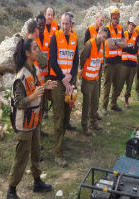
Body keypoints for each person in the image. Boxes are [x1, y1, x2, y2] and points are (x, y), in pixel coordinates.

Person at [6, 38, 57, 199]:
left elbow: (33, 90)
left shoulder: (32, 69)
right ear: (27, 53)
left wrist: (44, 87)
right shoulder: (20, 76)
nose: (38, 51)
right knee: (22, 156)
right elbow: (19, 102)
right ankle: (11, 190)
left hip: (34, 120)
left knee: (35, 152)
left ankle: (37, 181)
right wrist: (35, 94)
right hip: (24, 123)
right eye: (35, 48)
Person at [49, 13, 79, 167]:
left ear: (71, 24)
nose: (65, 26)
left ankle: (61, 142)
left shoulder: (74, 38)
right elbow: (52, 61)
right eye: (62, 23)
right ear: (60, 24)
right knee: (59, 116)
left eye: (67, 24)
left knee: (68, 112)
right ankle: (58, 154)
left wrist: (71, 76)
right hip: (58, 81)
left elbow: (76, 61)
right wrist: (63, 78)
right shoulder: (55, 37)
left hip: (69, 80)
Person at [79, 27, 109, 135]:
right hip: (87, 79)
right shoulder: (89, 44)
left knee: (95, 102)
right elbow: (82, 58)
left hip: (95, 78)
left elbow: (100, 60)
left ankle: (93, 122)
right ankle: (84, 125)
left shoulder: (102, 45)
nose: (104, 39)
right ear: (99, 33)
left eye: (106, 37)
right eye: (103, 36)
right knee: (87, 104)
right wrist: (82, 72)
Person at [101, 8, 128, 114]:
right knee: (107, 85)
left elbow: (125, 44)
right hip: (109, 62)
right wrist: (119, 44)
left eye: (117, 17)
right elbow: (109, 45)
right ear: (111, 18)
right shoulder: (107, 29)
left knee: (117, 84)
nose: (116, 19)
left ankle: (113, 104)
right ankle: (104, 106)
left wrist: (116, 43)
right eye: (114, 17)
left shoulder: (121, 29)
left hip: (118, 61)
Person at [83, 11, 106, 121]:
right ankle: (89, 115)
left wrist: (102, 63)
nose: (101, 22)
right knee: (90, 94)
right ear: (96, 18)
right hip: (89, 68)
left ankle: (94, 111)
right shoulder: (89, 30)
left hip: (98, 67)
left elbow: (102, 50)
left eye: (103, 21)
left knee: (97, 92)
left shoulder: (103, 33)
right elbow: (85, 50)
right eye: (100, 20)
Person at [118, 17, 139, 108]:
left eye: (133, 25)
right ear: (128, 24)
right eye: (130, 24)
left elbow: (136, 50)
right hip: (124, 63)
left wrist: (127, 47)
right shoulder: (123, 34)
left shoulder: (137, 36)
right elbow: (121, 47)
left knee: (130, 84)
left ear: (135, 26)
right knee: (120, 82)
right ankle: (115, 99)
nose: (131, 26)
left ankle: (126, 100)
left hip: (133, 65)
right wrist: (128, 48)